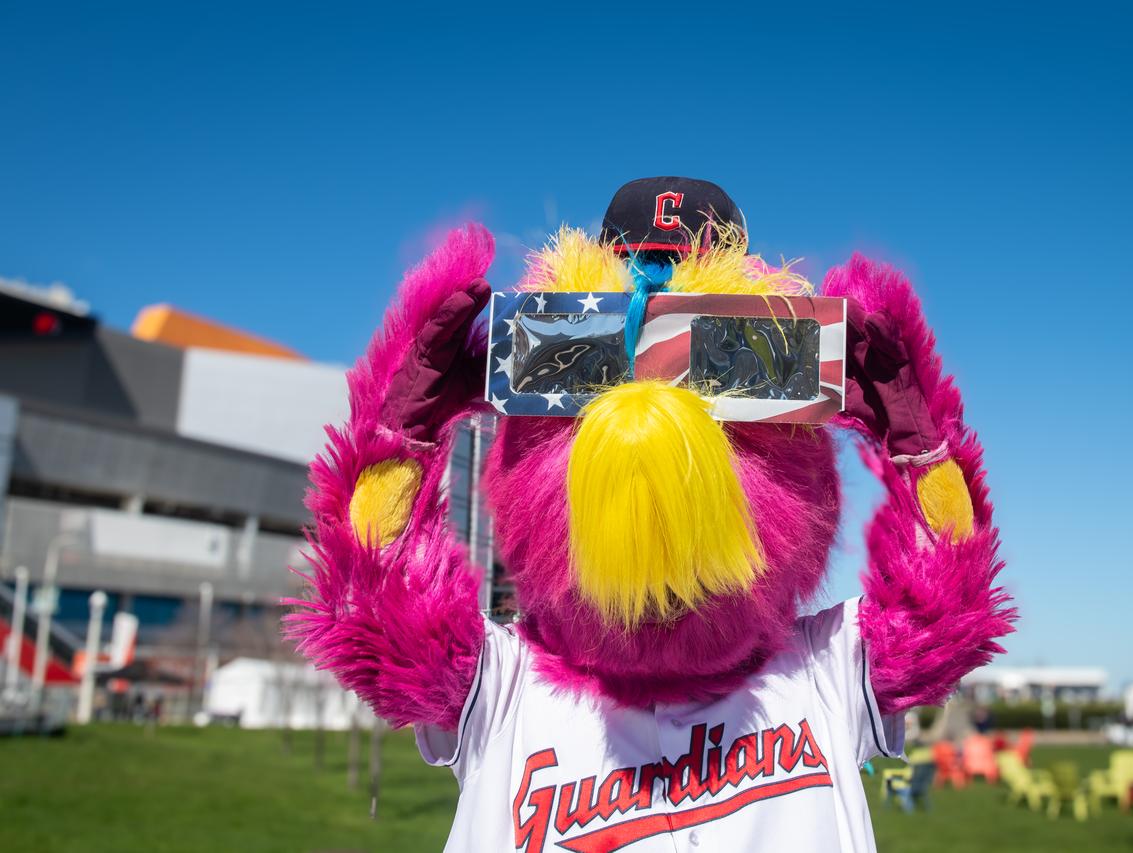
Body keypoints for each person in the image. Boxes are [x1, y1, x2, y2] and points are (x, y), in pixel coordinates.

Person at [289, 178, 1015, 851]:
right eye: (593, 371)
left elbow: (938, 615)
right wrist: (400, 442)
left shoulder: (822, 671)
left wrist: (921, 450)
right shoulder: (505, 685)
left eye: (725, 384)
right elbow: (380, 616)